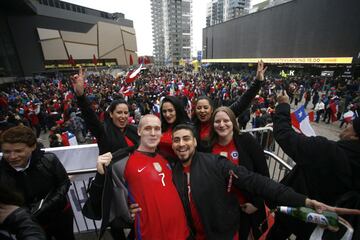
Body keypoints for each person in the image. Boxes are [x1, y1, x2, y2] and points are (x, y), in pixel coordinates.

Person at [169, 124, 336, 240]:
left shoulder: (215, 163)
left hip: (222, 235)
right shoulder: (174, 171)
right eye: (177, 140)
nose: (181, 144)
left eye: (186, 139)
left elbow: (255, 181)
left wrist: (304, 200)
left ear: (195, 142)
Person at [267, 91, 360, 239]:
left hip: (295, 210)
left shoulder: (327, 150)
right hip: (323, 226)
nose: (346, 125)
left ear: (355, 136)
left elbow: (285, 135)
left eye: (350, 124)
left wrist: (283, 105)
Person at [72, 67, 139, 240]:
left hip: (133, 181)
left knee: (136, 218)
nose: (123, 116)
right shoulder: (103, 130)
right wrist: (80, 95)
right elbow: (89, 116)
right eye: (119, 113)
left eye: (126, 112)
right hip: (113, 184)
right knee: (115, 219)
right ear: (111, 114)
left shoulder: (134, 130)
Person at [99, 115, 190, 239]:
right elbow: (109, 202)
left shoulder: (167, 159)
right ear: (139, 131)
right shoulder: (122, 162)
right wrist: (125, 211)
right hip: (151, 235)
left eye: (157, 129)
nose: (153, 133)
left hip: (182, 233)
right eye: (148, 128)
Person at [0, 126, 74, 240]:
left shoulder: (49, 159)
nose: (12, 157)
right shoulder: (2, 172)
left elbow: (64, 183)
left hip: (61, 215)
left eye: (19, 151)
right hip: (29, 225)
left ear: (33, 146)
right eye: (6, 152)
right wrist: (25, 214)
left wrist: (45, 206)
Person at [209, 106, 270, 239]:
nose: (222, 124)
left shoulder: (246, 140)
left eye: (226, 120)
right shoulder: (208, 145)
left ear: (233, 122)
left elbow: (264, 175)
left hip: (245, 208)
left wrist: (257, 203)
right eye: (217, 121)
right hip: (219, 210)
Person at [192, 61, 266, 146]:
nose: (202, 110)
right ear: (195, 110)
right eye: (199, 108)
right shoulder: (190, 127)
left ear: (211, 109)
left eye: (205, 107)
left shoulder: (220, 118)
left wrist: (258, 82)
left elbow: (242, 102)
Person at [159, 95, 191, 160]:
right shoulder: (160, 127)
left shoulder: (187, 129)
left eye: (170, 110)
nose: (167, 114)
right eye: (164, 111)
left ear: (177, 110)